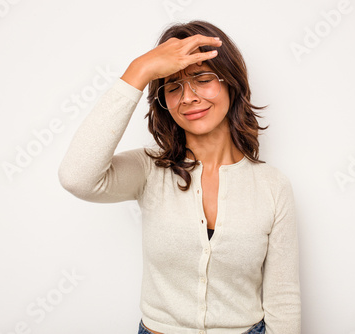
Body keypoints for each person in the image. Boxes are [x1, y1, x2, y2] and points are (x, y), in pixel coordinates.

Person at [58, 20, 300, 334]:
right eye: (173, 87)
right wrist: (140, 69)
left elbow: (283, 299)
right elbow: (77, 177)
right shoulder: (149, 170)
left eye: (202, 78)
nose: (187, 97)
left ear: (231, 84)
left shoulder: (272, 186)